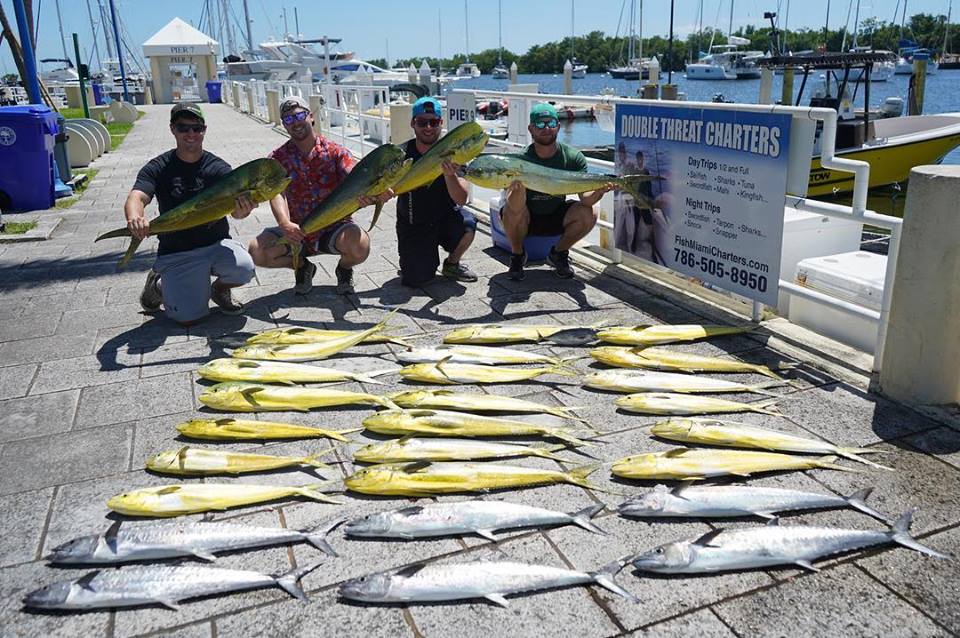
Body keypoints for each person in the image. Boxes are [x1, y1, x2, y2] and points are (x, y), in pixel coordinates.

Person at [126, 102, 256, 325]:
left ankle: (219, 290)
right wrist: (135, 218)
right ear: (172, 129)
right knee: (187, 319)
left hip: (215, 245)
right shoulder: (157, 167)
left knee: (244, 268)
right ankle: (157, 286)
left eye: (197, 128)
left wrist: (243, 211)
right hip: (177, 251)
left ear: (204, 130)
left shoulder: (219, 168)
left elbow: (236, 214)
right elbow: (136, 196)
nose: (191, 134)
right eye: (183, 127)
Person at [248, 96, 374, 295]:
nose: (295, 122)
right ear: (284, 125)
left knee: (360, 246)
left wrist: (371, 193)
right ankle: (302, 267)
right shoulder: (277, 159)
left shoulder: (335, 152)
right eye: (288, 119)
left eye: (299, 115)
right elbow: (277, 193)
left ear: (311, 116)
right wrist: (285, 224)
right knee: (257, 251)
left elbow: (355, 177)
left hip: (334, 227)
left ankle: (344, 268)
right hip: (296, 230)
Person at [500, 102, 610, 280]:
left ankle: (558, 253)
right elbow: (514, 205)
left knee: (590, 212)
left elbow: (586, 200)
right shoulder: (518, 161)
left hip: (556, 213)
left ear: (558, 126)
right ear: (530, 129)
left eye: (550, 123)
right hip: (527, 215)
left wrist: (600, 191)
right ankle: (518, 255)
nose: (546, 128)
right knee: (510, 210)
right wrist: (518, 187)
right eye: (540, 124)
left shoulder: (574, 158)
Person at [395, 97, 477, 286]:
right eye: (422, 122)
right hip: (414, 223)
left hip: (444, 218)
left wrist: (450, 176)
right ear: (412, 123)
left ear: (441, 123)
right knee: (416, 279)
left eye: (434, 122)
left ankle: (452, 264)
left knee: (469, 225)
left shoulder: (454, 152)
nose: (428, 127)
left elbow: (462, 198)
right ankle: (416, 259)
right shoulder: (401, 155)